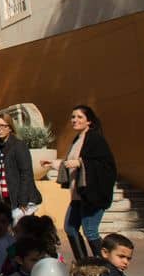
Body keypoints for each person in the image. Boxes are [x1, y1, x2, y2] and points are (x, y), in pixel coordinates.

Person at [46, 105, 117, 260]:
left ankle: (107, 266)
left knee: (90, 231)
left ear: (89, 121)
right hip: (78, 196)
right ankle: (83, 264)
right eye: (73, 117)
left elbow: (106, 165)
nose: (74, 120)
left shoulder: (95, 139)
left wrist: (80, 163)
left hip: (92, 194)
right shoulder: (77, 140)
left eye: (79, 117)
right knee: (70, 228)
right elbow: (72, 163)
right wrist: (57, 164)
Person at [0, 112, 41, 221]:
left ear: (10, 128)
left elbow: (26, 173)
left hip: (20, 198)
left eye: (3, 126)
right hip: (5, 196)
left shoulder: (18, 145)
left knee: (26, 231)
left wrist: (23, 199)